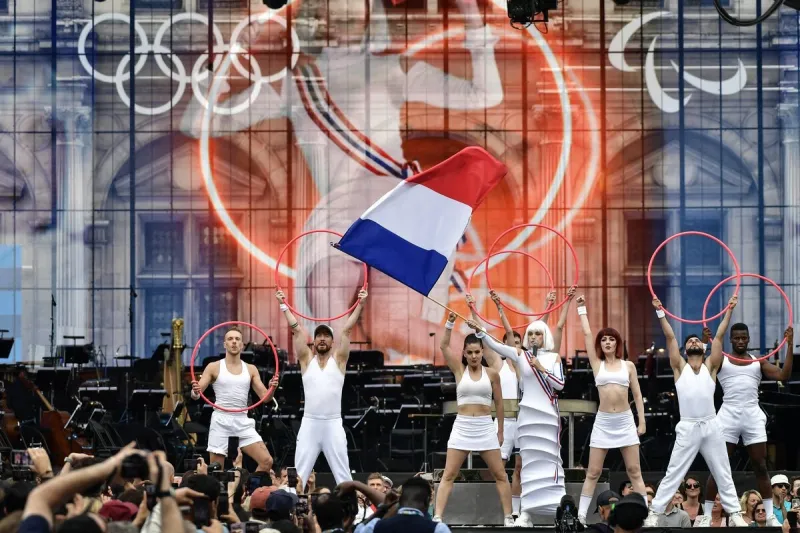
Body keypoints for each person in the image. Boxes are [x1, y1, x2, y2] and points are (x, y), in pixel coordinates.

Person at [182, 0, 502, 363]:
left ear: (369, 15)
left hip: (392, 206)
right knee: (325, 321)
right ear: (316, 18)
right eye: (335, 10)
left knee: (392, 327)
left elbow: (486, 95)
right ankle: (328, 407)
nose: (345, 16)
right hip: (340, 214)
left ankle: (501, 367)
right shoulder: (295, 84)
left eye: (354, 9)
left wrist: (472, 18)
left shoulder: (390, 68)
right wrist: (234, 53)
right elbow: (197, 124)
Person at [643, 296, 747, 527]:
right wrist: (660, 311)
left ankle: (736, 513)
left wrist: (729, 310)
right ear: (685, 349)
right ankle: (655, 513)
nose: (692, 342)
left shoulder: (711, 366)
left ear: (703, 346)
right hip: (688, 426)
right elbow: (670, 337)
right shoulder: (679, 367)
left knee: (723, 471)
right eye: (688, 342)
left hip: (711, 425)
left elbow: (719, 336)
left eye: (695, 341)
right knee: (674, 472)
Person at [467, 298, 567, 526]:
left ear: (545, 337)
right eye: (530, 334)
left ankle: (557, 509)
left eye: (537, 334)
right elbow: (497, 346)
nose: (532, 338)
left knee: (550, 461)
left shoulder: (552, 358)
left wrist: (542, 369)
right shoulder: (521, 356)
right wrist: (481, 332)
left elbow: (560, 385)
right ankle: (526, 513)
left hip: (548, 417)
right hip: (527, 418)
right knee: (528, 465)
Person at [704, 320, 794, 523]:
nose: (740, 341)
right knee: (718, 466)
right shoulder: (722, 360)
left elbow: (784, 375)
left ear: (749, 339)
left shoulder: (757, 361)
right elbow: (700, 370)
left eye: (744, 337)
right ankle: (707, 516)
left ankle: (770, 515)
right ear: (730, 340)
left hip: (752, 415)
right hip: (728, 415)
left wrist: (790, 345)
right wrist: (704, 344)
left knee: (760, 466)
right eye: (736, 338)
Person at [276, 288, 367, 487]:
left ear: (333, 342)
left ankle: (353, 513)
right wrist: (284, 305)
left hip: (333, 424)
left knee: (343, 475)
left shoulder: (340, 361)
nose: (323, 338)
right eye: (319, 336)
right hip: (310, 424)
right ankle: (288, 510)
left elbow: (347, 330)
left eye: (327, 336)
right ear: (314, 341)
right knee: (298, 475)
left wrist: (360, 304)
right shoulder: (306, 361)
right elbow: (297, 329)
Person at [433, 313, 514, 525]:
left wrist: (501, 431)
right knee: (449, 474)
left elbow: (499, 404)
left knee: (500, 474)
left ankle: (508, 517)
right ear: (465, 354)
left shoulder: (493, 374)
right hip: (462, 426)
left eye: (477, 352)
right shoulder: (459, 371)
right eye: (470, 352)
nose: (474, 356)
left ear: (482, 352)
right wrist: (450, 322)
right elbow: (443, 347)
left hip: (486, 426)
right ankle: (438, 516)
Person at [573, 295, 646, 523]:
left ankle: (647, 515)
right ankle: (581, 515)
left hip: (624, 420)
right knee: (593, 472)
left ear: (617, 343)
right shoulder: (597, 364)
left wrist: (641, 421)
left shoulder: (628, 366)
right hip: (604, 421)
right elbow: (586, 334)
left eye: (611, 339)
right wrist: (582, 308)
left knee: (634, 471)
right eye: (603, 340)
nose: (607, 343)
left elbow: (637, 395)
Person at [191, 325, 279, 471]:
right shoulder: (214, 367)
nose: (234, 342)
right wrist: (194, 391)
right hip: (221, 421)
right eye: (230, 339)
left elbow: (266, 398)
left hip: (242, 421)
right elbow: (196, 395)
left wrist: (273, 388)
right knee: (216, 470)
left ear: (242, 345)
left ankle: (249, 491)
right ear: (225, 344)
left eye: (237, 339)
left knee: (267, 461)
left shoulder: (251, 369)